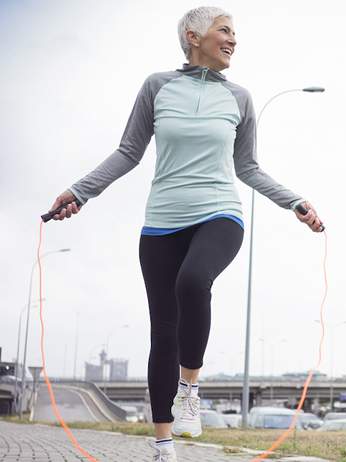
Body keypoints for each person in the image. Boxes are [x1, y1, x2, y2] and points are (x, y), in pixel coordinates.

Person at [47, 6, 323, 461]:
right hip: (161, 222)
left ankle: (189, 390)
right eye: (225, 31)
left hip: (219, 213)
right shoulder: (158, 87)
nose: (234, 40)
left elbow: (247, 167)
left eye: (235, 33)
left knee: (194, 281)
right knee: (164, 333)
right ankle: (163, 445)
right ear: (193, 36)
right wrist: (79, 192)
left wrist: (293, 201)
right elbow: (128, 152)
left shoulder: (240, 98)